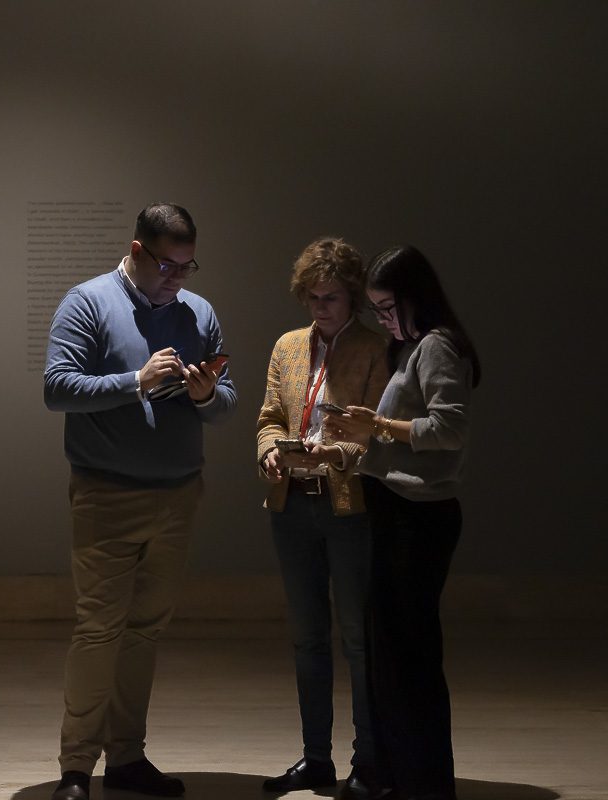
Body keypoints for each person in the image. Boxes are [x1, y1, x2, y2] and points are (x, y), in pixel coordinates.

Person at [43, 202, 237, 800]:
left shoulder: (198, 312)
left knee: (145, 631)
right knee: (99, 630)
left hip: (178, 495)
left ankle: (126, 757)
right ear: (136, 251)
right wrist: (136, 382)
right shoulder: (88, 301)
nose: (177, 279)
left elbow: (227, 401)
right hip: (107, 493)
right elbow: (57, 388)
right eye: (167, 266)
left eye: (187, 266)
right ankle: (77, 766)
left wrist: (205, 396)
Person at [326, 244, 481, 800]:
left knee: (409, 657)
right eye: (377, 310)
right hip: (397, 512)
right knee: (392, 656)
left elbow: (448, 429)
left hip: (417, 518)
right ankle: (401, 778)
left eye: (389, 307)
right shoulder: (415, 346)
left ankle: (423, 783)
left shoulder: (437, 345)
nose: (385, 319)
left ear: (417, 297)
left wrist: (377, 425)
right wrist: (361, 437)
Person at [256, 237, 389, 798]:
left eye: (330, 297)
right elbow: (269, 417)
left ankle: (369, 761)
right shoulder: (288, 345)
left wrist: (338, 454)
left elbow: (378, 431)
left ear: (352, 296)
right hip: (292, 505)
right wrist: (269, 450)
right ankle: (316, 759)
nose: (319, 306)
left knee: (358, 639)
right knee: (308, 638)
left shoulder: (375, 350)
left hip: (349, 508)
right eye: (312, 297)